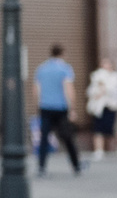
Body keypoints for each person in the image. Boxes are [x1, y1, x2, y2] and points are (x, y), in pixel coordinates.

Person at [34, 43, 83, 174]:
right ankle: (76, 165)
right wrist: (72, 108)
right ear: (62, 54)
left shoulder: (41, 68)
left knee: (44, 138)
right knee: (68, 138)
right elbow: (69, 89)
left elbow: (36, 89)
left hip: (45, 107)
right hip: (61, 108)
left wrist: (39, 104)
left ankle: (41, 167)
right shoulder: (65, 69)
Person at [85, 55, 117, 160]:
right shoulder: (96, 76)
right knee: (98, 129)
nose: (104, 65)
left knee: (111, 130)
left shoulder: (116, 76)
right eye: (103, 63)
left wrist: (103, 86)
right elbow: (90, 91)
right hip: (99, 107)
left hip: (111, 106)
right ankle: (99, 150)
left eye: (107, 63)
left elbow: (112, 90)